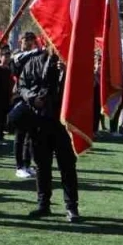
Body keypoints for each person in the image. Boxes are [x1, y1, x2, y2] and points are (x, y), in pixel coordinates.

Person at [18, 46, 82, 222]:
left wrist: (68, 73)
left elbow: (85, 86)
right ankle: (43, 204)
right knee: (41, 166)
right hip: (39, 122)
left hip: (63, 123)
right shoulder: (33, 62)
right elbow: (22, 85)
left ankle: (71, 207)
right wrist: (32, 98)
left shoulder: (71, 63)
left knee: (67, 166)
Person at [11, 32, 42, 180]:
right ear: (20, 41)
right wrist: (38, 50)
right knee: (20, 134)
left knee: (31, 133)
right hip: (19, 97)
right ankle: (19, 166)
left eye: (32, 40)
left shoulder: (35, 56)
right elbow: (19, 60)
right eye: (26, 40)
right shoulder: (18, 54)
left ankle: (27, 164)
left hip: (31, 96)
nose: (29, 42)